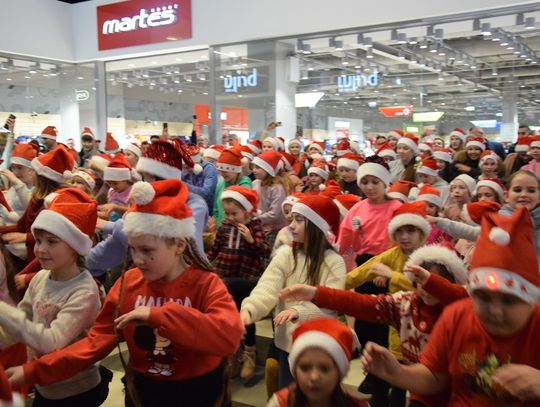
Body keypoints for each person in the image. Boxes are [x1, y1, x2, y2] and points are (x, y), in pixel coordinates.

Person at [8, 179, 244, 406]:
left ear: (179, 245)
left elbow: (228, 337)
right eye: (132, 249)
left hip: (199, 392)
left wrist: (160, 316)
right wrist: (35, 370)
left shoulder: (205, 283)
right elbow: (94, 342)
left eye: (147, 250)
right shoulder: (129, 282)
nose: (137, 259)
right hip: (144, 392)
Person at [361, 208, 540, 406]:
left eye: (509, 301)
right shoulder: (457, 315)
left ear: (531, 298)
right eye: (483, 298)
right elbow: (435, 377)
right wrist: (398, 373)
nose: (495, 311)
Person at [280, 243, 468, 407]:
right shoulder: (405, 304)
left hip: (463, 394)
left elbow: (462, 297)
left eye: (433, 283)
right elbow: (361, 304)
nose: (426, 289)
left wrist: (431, 281)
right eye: (420, 282)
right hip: (422, 391)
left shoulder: (461, 309)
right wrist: (315, 293)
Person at [0, 188, 106, 405]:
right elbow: (22, 322)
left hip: (76, 390)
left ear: (76, 247)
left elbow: (53, 342)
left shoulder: (84, 291)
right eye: (38, 240)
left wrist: (4, 312)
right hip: (44, 384)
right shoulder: (40, 277)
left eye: (52, 242)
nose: (40, 249)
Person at [240, 194, 346, 389]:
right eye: (292, 219)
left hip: (317, 347)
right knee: (287, 393)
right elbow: (267, 287)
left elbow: (331, 304)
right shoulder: (287, 255)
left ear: (316, 226)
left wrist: (300, 311)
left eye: (299, 220)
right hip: (286, 344)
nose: (291, 225)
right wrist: (250, 309)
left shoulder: (334, 262)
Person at [345, 201, 430, 406]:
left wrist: (392, 275)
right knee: (390, 383)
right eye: (399, 231)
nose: (404, 236)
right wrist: (330, 285)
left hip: (424, 329)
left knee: (418, 388)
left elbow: (424, 289)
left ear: (421, 233)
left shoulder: (429, 257)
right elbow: (361, 272)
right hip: (396, 328)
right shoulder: (393, 254)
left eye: (410, 231)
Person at [207, 186, 270, 380]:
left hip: (246, 278)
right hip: (225, 275)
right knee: (227, 315)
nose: (230, 217)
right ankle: (231, 352)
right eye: (227, 213)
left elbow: (264, 251)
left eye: (235, 213)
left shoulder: (255, 226)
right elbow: (215, 249)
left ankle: (249, 352)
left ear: (247, 211)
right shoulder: (225, 227)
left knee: (245, 316)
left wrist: (251, 240)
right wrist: (204, 263)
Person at [266, 318, 368, 407]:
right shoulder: (280, 403)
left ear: (339, 372)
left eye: (324, 369)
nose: (314, 377)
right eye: (305, 368)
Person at [0, 146, 73, 268]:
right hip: (32, 253)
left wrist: (25, 237)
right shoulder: (36, 197)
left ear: (42, 178)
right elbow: (21, 225)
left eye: (33, 171)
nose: (30, 173)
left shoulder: (56, 202)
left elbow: (54, 237)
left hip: (47, 258)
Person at [213, 148, 252, 228]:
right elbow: (216, 209)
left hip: (239, 228)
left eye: (225, 171)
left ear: (236, 170)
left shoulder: (245, 185)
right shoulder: (221, 184)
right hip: (222, 229)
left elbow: (247, 210)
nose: (222, 174)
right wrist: (217, 224)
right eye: (220, 171)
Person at [181, 144, 218, 216]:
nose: (186, 171)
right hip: (190, 211)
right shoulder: (185, 172)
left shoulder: (209, 169)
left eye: (188, 168)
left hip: (207, 213)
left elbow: (206, 193)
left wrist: (186, 186)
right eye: (184, 168)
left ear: (196, 165)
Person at [98, 154, 137, 221]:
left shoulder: (132, 192)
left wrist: (115, 207)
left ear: (125, 179)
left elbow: (134, 211)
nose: (112, 186)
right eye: (109, 183)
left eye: (115, 183)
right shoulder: (111, 191)